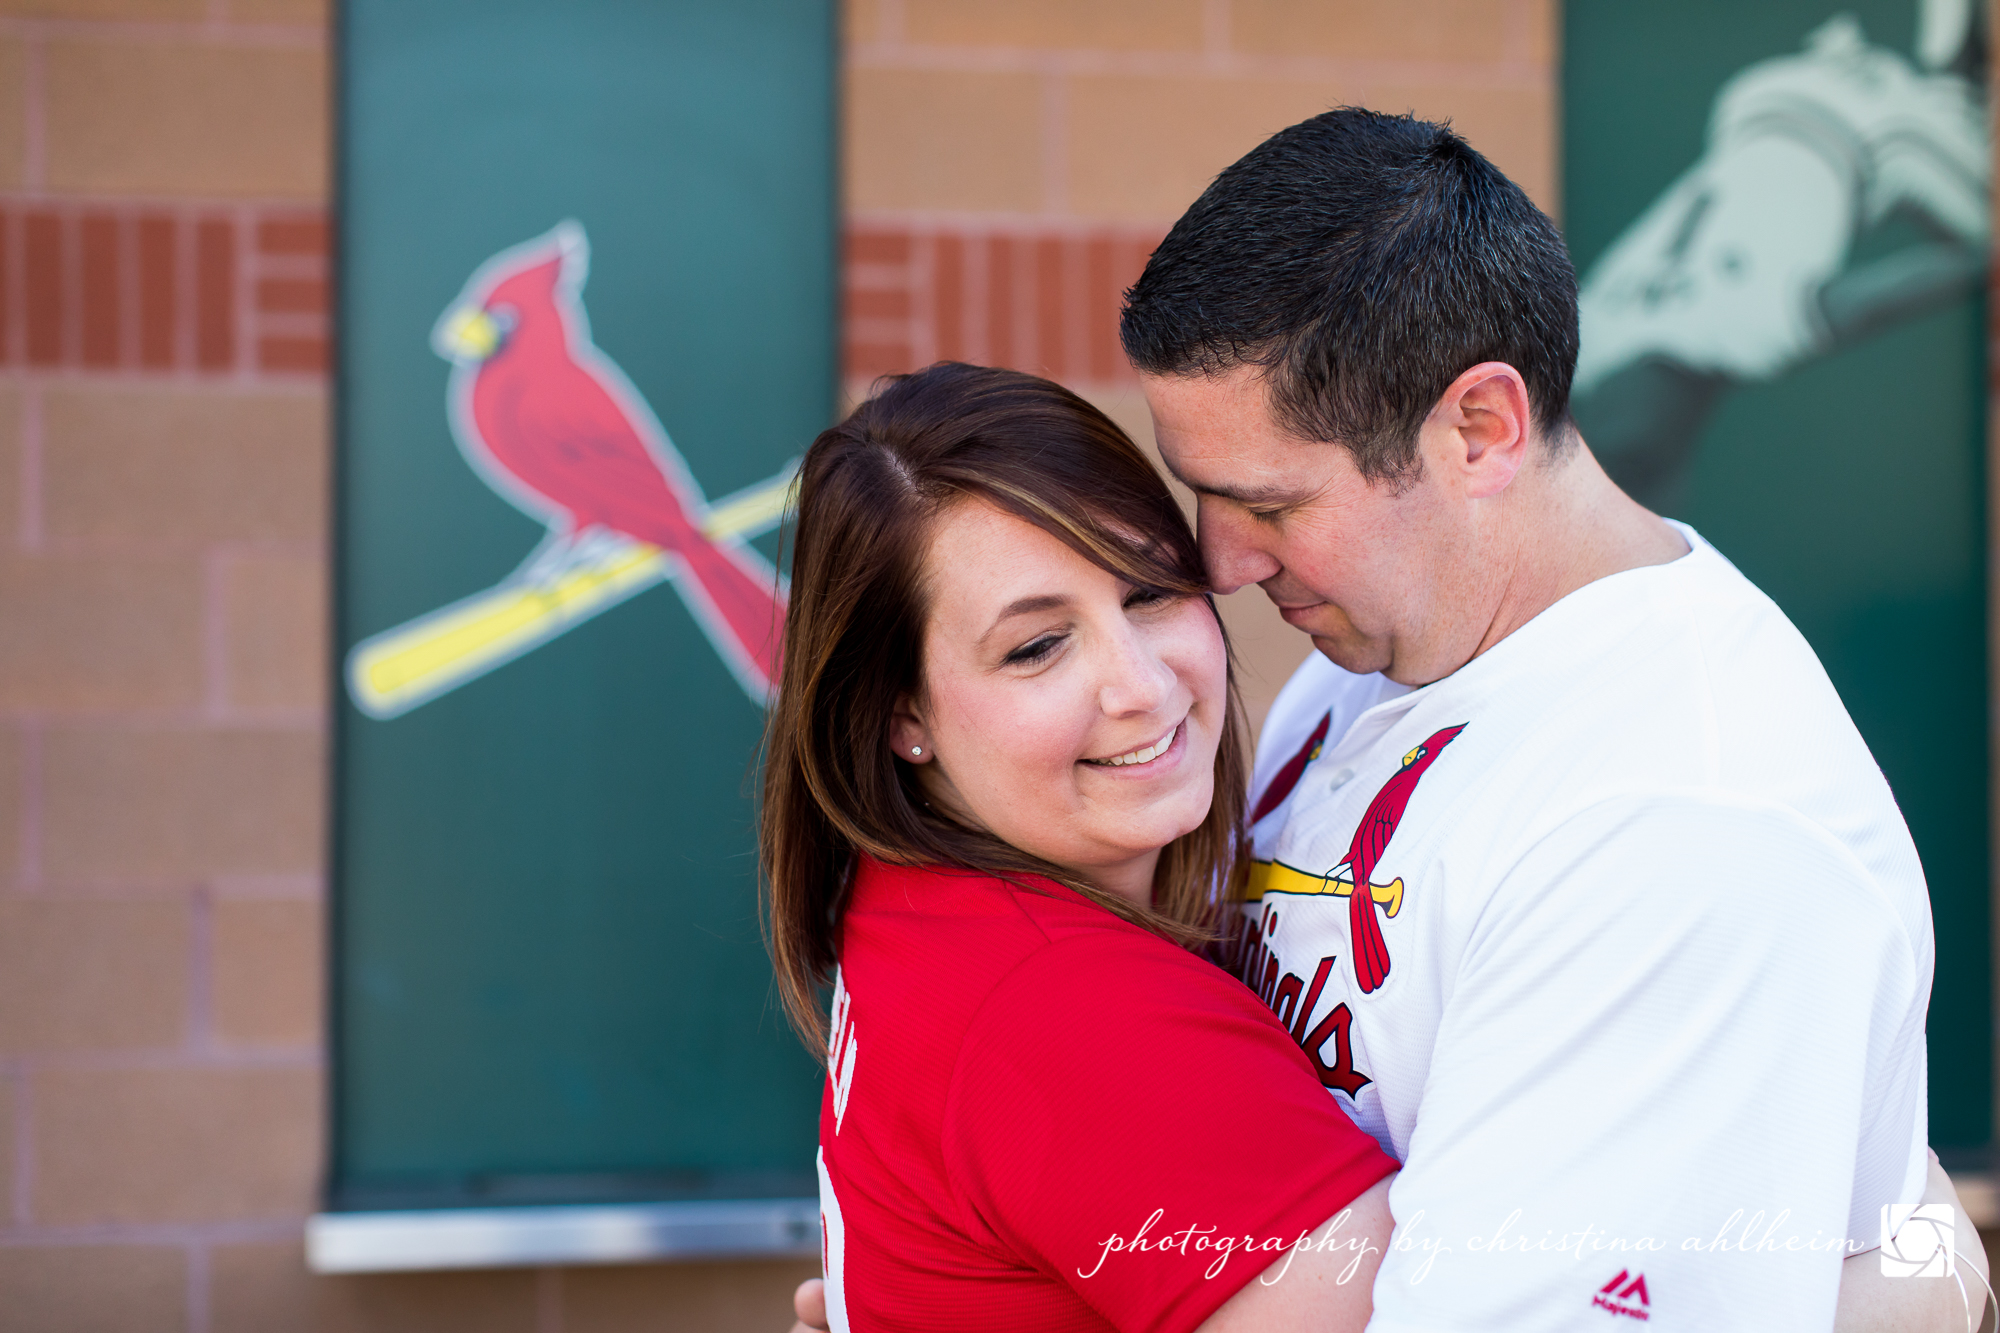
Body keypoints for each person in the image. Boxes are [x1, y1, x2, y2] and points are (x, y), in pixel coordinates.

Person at [1112, 107, 1976, 1328]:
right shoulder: (1378, 650)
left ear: (1479, 429)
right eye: (1197, 492)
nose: (1219, 562)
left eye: (1269, 503)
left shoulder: (1681, 825)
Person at [762, 363, 1398, 1332]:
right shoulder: (1063, 1008)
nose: (1138, 684)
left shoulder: (912, 900)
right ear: (902, 715)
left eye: (1148, 590)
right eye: (1035, 647)